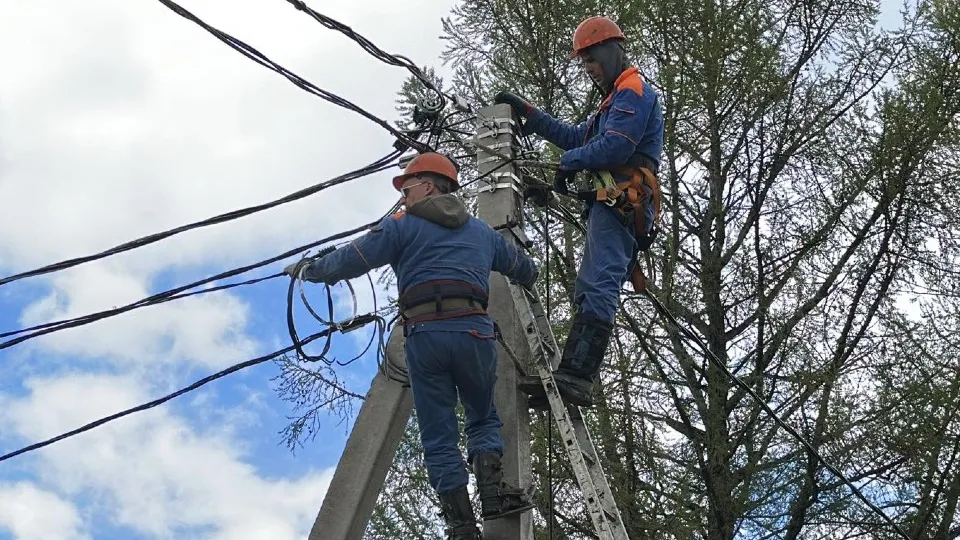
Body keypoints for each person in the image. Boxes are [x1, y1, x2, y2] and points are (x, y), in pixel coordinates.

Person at [283, 152, 538, 540]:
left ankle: (462, 527)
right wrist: (525, 260)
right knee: (482, 418)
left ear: (430, 186)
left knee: (439, 436)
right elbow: (524, 268)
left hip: (426, 336)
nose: (403, 196)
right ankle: (493, 495)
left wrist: (310, 269)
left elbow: (351, 260)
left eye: (407, 187)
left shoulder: (402, 227)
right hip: (473, 332)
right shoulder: (481, 232)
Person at [493, 15, 665, 408]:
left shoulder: (633, 90)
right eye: (583, 63)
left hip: (624, 201)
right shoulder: (613, 101)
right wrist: (531, 115)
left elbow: (615, 148)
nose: (588, 70)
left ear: (610, 50)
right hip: (611, 201)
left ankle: (577, 377)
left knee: (599, 282)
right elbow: (577, 138)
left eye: (590, 60)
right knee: (589, 285)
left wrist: (569, 162)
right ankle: (572, 373)